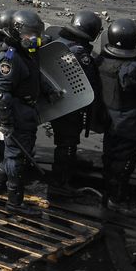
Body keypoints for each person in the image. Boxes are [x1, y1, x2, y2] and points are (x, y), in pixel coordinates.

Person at [0, 10, 45, 215]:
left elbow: (34, 76)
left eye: (36, 34)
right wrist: (6, 121)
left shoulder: (27, 52)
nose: (34, 39)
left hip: (27, 108)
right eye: (29, 34)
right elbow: (2, 94)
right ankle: (14, 201)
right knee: (17, 157)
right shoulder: (10, 57)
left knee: (14, 152)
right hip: (17, 111)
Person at [99, 18, 136, 218]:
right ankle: (117, 200)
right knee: (124, 162)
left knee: (110, 157)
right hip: (129, 124)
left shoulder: (102, 60)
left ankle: (108, 193)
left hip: (110, 119)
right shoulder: (133, 69)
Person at [50, 11, 103, 195]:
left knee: (64, 140)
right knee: (68, 142)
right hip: (71, 105)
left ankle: (67, 163)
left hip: (58, 100)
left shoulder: (59, 42)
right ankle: (59, 183)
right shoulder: (80, 53)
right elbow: (91, 82)